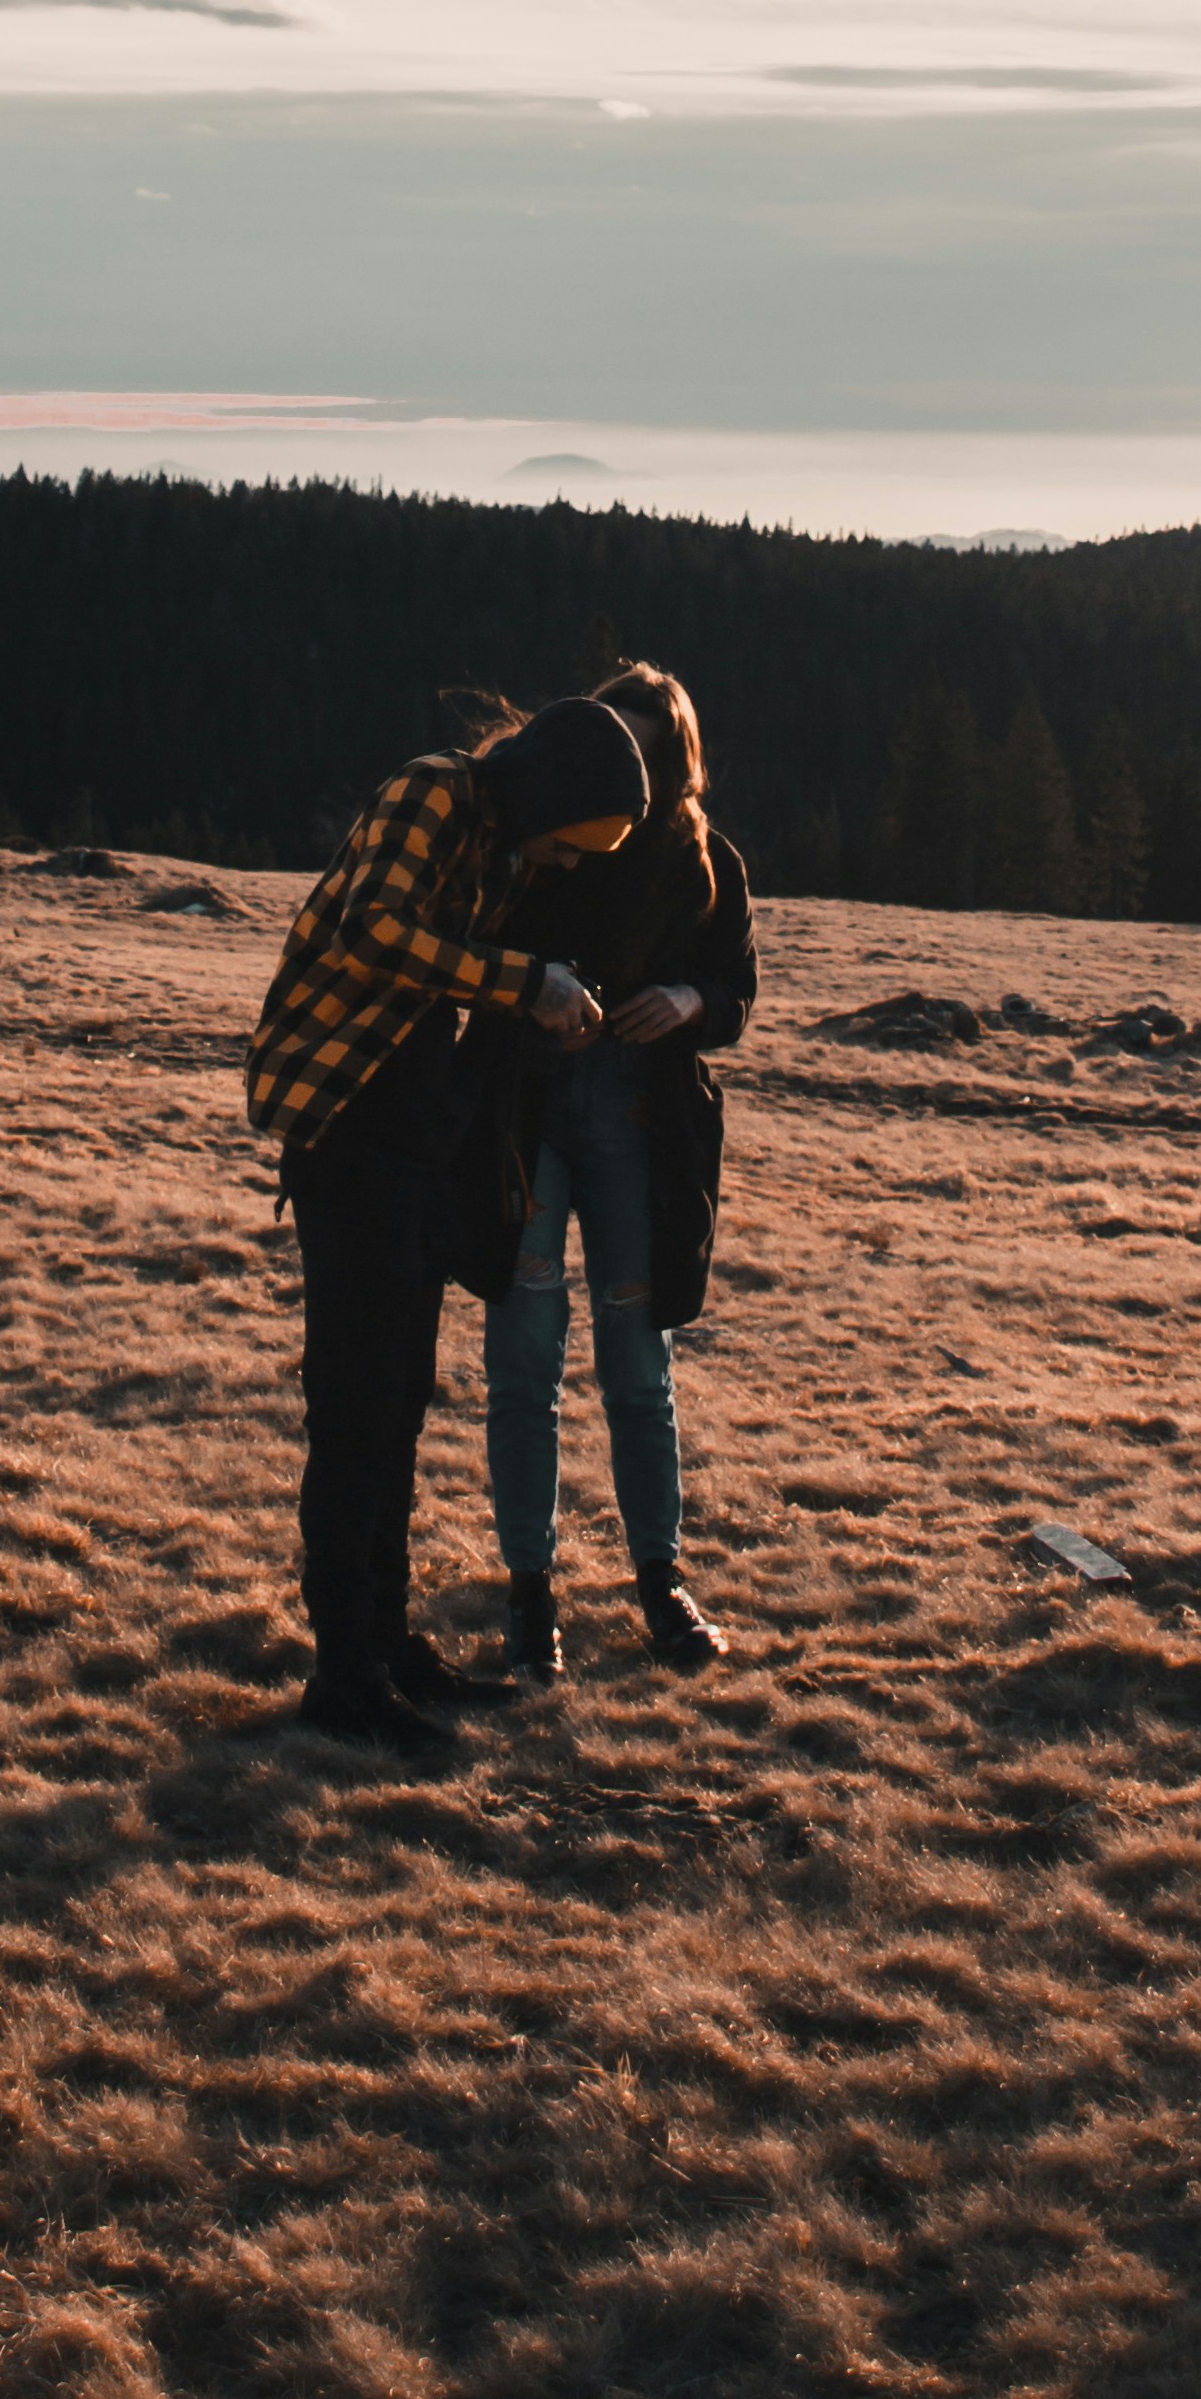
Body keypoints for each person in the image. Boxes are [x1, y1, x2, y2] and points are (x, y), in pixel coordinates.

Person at [245, 692, 647, 1751]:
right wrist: (526, 982)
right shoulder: (432, 792)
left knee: (401, 1401)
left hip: (408, 1126)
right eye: (567, 844)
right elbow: (379, 931)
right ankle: (344, 1678)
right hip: (344, 1115)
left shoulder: (503, 848)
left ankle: (387, 1647)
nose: (561, 866)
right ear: (547, 800)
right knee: (357, 1401)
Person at [470, 658, 756, 1677]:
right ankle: (529, 1592)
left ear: (676, 759)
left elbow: (734, 993)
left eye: (646, 747)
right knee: (525, 1363)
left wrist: (686, 1004)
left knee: (639, 1367)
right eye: (613, 742)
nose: (625, 766)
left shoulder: (703, 859)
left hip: (641, 1123)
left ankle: (660, 1582)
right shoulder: (546, 845)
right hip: (535, 1118)